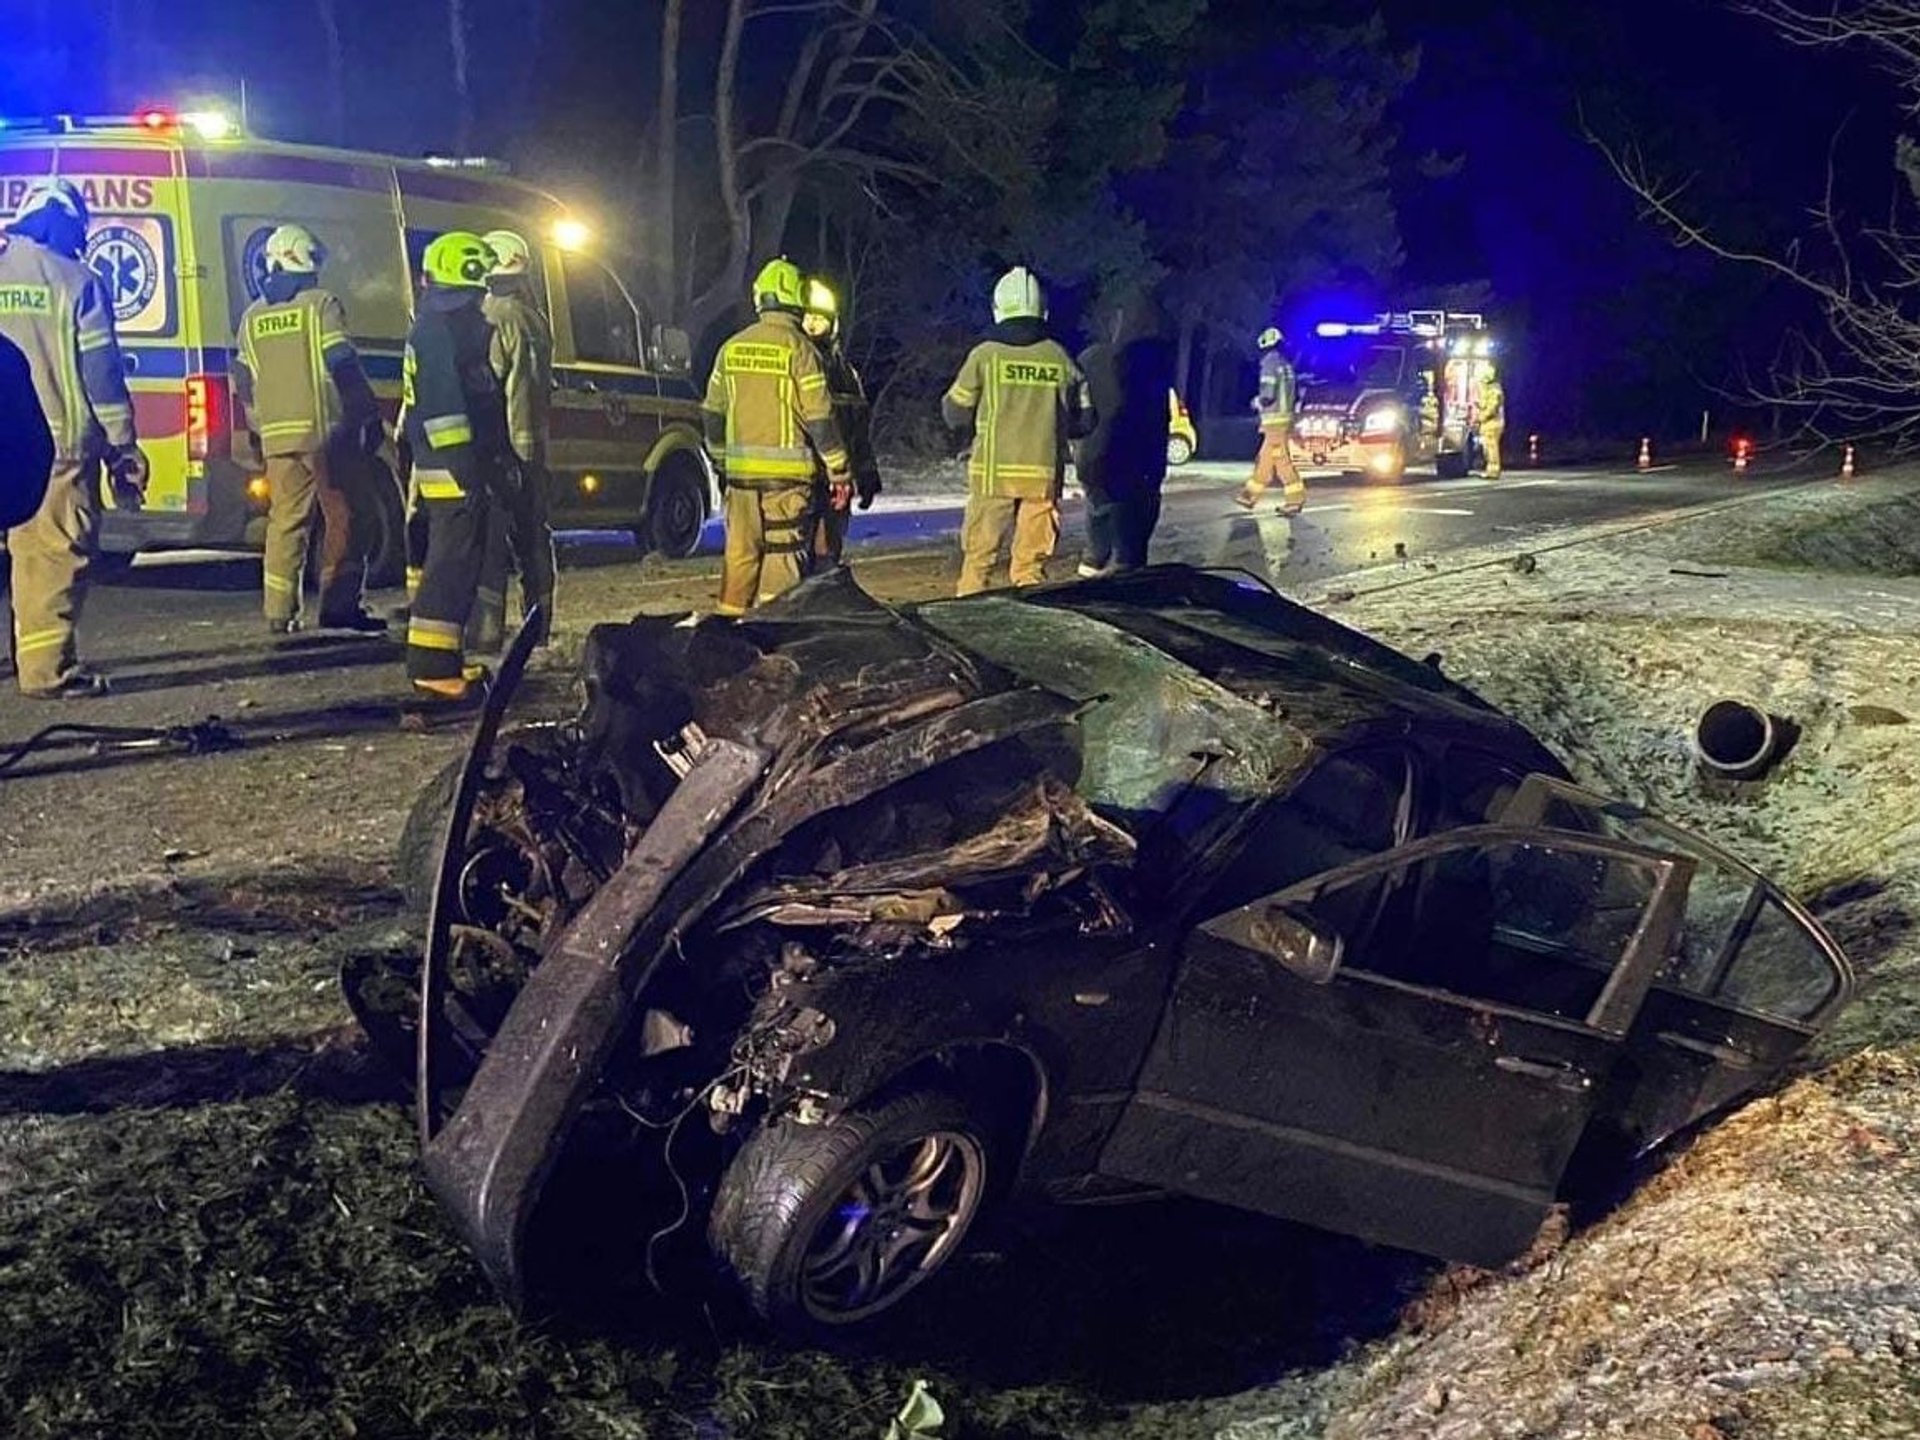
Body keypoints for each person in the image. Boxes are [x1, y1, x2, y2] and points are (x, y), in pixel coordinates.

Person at [0, 180, 147, 698]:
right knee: (51, 556)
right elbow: (101, 373)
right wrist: (122, 443)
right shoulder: (75, 281)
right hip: (52, 446)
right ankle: (46, 672)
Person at [233, 223, 386, 635]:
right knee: (349, 517)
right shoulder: (320, 305)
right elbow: (341, 362)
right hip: (325, 435)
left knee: (286, 523)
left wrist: (255, 426)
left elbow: (244, 379)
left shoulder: (252, 317)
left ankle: (279, 612)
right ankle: (339, 605)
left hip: (277, 437)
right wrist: (367, 414)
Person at [702, 258, 852, 615]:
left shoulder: (731, 348)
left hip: (740, 486)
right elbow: (820, 419)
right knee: (781, 576)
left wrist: (721, 459)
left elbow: (711, 413)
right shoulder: (801, 351)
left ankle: (725, 645)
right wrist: (839, 470)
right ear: (796, 298)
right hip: (786, 488)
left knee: (738, 564)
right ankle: (776, 652)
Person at [401, 231, 511, 713]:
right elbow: (445, 411)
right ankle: (432, 669)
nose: (484, 299)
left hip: (459, 463)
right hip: (452, 467)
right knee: (451, 563)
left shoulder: (444, 325)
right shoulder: (441, 331)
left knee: (458, 560)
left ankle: (445, 656)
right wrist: (467, 469)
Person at [944, 266, 1095, 596]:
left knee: (978, 561)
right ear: (1043, 310)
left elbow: (954, 410)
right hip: (1042, 477)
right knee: (1031, 568)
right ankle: (1030, 624)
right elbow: (1085, 420)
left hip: (992, 475)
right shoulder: (1060, 357)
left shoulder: (984, 356)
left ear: (998, 309)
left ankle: (967, 619)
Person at [467, 228, 556, 649]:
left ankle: (486, 632)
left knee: (490, 542)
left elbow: (487, 387)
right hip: (533, 445)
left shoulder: (489, 317)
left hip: (501, 448)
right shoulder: (533, 319)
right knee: (534, 537)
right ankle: (539, 625)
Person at [1074, 295, 1175, 575]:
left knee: (1099, 515)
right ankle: (1124, 581)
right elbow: (1156, 416)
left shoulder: (1091, 358)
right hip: (1138, 461)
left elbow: (1079, 409)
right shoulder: (1157, 360)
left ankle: (1092, 570)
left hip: (1097, 457)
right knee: (1131, 543)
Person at [800, 276, 882, 567]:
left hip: (836, 482)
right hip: (802, 479)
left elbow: (858, 432)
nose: (811, 325)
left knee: (827, 554)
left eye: (818, 320)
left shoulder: (847, 374)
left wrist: (867, 473)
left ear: (832, 324)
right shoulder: (796, 365)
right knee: (794, 557)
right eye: (807, 318)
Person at [1236, 326, 1304, 516]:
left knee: (1281, 461)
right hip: (1283, 420)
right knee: (1265, 460)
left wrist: (1257, 401)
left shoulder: (1269, 363)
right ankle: (1249, 496)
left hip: (1274, 422)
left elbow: (1267, 394)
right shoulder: (1286, 365)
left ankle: (1295, 500)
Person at [1476, 363, 1506, 479]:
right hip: (1489, 423)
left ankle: (1493, 471)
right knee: (1488, 448)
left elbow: (1492, 408)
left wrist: (1481, 417)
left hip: (1493, 423)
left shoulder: (1494, 390)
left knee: (1491, 448)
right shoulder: (1489, 390)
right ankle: (1491, 470)